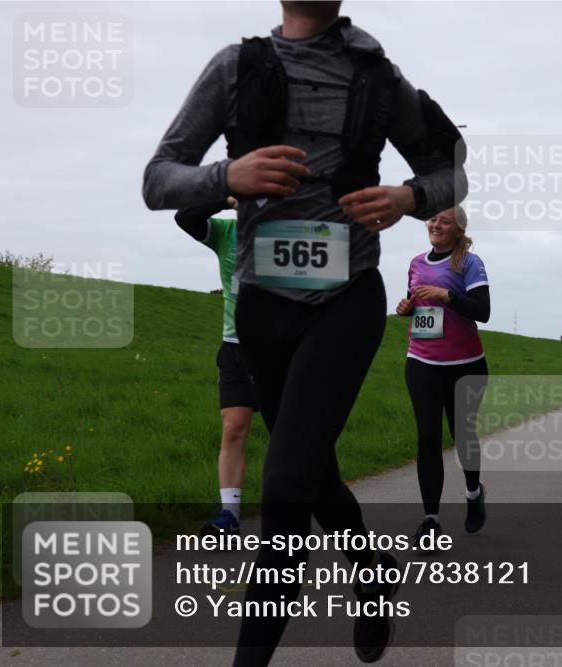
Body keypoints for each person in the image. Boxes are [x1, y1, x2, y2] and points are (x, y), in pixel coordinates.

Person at [142, 2, 465, 663]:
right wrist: (224, 176)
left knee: (286, 486)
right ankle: (373, 571)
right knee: (313, 473)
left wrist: (407, 197)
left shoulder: (378, 76)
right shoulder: (235, 68)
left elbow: (450, 168)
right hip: (262, 309)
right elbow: (157, 179)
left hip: (345, 301)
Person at [396, 205, 489, 550]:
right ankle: (431, 520)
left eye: (444, 220)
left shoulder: (469, 263)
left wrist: (447, 296)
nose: (435, 224)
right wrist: (406, 308)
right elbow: (416, 305)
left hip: (465, 364)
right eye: (432, 219)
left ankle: (473, 492)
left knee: (463, 435)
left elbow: (484, 311)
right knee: (428, 437)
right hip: (421, 361)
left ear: (458, 230)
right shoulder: (416, 263)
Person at [175, 197, 257, 537]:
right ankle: (229, 515)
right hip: (236, 346)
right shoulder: (226, 232)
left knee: (292, 434)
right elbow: (186, 215)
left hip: (281, 350)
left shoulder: (287, 234)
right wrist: (225, 195)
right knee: (233, 428)